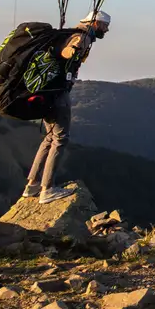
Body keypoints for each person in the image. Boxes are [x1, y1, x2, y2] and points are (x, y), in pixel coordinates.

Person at [20, 11, 110, 203]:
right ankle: (47, 189)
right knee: (60, 139)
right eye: (104, 25)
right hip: (58, 94)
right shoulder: (80, 37)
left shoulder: (71, 33)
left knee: (50, 138)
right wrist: (73, 50)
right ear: (95, 23)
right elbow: (66, 52)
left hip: (47, 93)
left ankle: (32, 185)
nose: (106, 29)